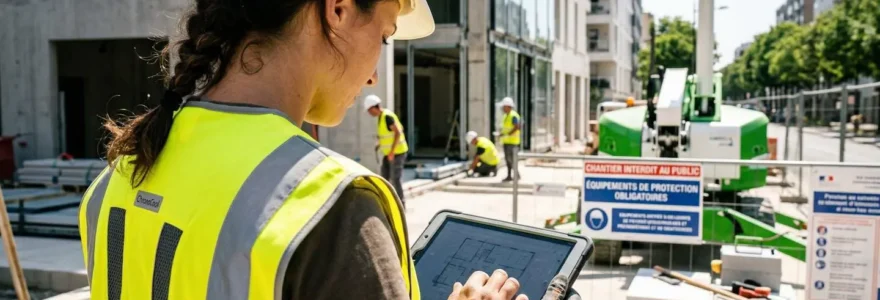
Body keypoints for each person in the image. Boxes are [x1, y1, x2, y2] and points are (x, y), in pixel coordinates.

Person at [76, 0, 529, 299]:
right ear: (338, 9)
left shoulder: (119, 175)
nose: (374, 75)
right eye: (384, 36)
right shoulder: (330, 205)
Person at [364, 94, 408, 202]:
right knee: (384, 177)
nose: (369, 113)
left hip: (398, 152)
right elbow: (387, 134)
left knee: (395, 178)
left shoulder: (387, 116)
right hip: (389, 153)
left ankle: (401, 203)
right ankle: (387, 201)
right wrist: (379, 143)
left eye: (369, 110)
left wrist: (392, 152)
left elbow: (397, 132)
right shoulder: (381, 117)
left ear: (374, 107)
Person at [499, 97, 522, 182]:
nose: (503, 108)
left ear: (508, 106)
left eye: (504, 106)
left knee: (511, 160)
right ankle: (509, 176)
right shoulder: (505, 116)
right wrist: (502, 134)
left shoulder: (513, 115)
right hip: (506, 141)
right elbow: (506, 128)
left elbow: (517, 127)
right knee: (508, 160)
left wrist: (508, 134)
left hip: (513, 142)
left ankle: (517, 175)